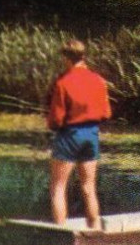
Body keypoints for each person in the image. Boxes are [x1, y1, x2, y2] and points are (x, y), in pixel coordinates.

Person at [47, 38, 112, 228]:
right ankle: (95, 229)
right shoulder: (99, 80)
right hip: (91, 135)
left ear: (67, 58)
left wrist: (51, 122)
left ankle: (60, 232)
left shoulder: (63, 82)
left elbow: (56, 120)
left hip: (69, 136)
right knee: (88, 187)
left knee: (58, 187)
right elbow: (106, 113)